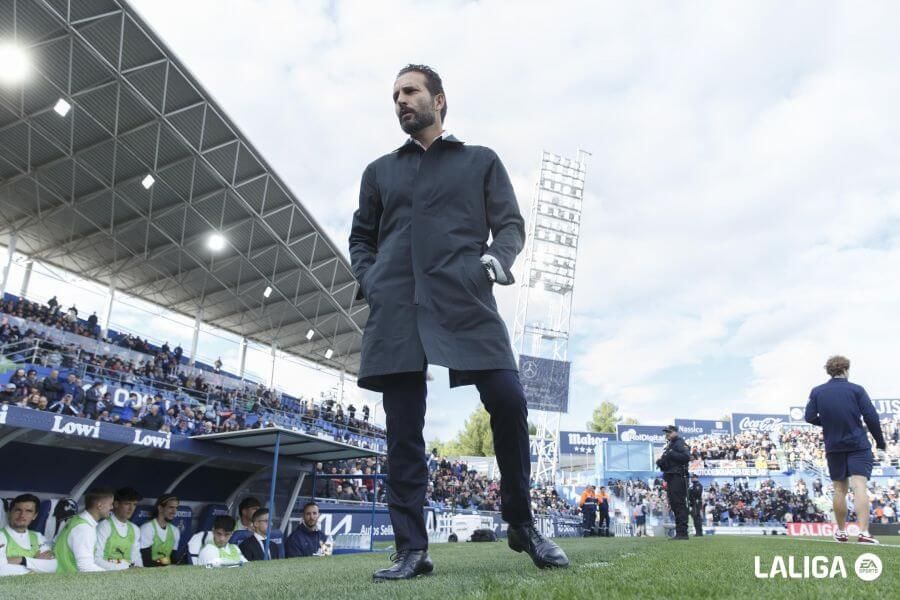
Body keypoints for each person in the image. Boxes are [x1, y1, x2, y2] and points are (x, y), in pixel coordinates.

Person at [348, 63, 567, 581]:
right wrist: (372, 278)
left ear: (439, 101)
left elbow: (510, 224)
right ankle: (411, 550)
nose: (401, 100)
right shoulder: (378, 171)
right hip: (397, 305)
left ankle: (522, 523)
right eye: (395, 94)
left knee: (510, 402)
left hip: (466, 298)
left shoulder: (480, 161)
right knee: (403, 430)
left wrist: (498, 258)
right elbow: (362, 238)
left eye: (411, 91)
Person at [805, 355, 887, 544]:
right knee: (859, 486)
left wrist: (827, 423)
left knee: (839, 489)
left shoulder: (817, 391)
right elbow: (871, 417)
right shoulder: (856, 390)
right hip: (857, 444)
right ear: (845, 370)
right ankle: (864, 532)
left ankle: (841, 532)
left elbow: (809, 416)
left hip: (834, 445)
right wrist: (881, 443)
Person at [54, 487, 115, 572]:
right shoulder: (84, 529)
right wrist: (111, 576)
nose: (112, 507)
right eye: (110, 504)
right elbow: (85, 567)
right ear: (100, 506)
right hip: (70, 580)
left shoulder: (76, 520)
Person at [0, 493, 57, 576]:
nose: (22, 515)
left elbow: (54, 566)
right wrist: (36, 565)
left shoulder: (38, 537)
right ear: (9, 512)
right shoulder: (1, 535)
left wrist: (22, 560)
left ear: (35, 516)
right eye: (18, 510)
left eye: (28, 511)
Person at [95, 487, 143, 569]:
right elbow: (96, 559)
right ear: (116, 504)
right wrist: (124, 568)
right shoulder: (104, 526)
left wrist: (139, 570)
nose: (131, 508)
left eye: (134, 504)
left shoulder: (135, 529)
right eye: (127, 504)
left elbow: (136, 558)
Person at [657, 425, 691, 540]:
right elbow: (667, 463)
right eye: (666, 432)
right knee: (675, 505)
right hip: (671, 477)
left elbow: (686, 457)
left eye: (669, 432)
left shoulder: (680, 442)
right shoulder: (669, 445)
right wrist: (660, 462)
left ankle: (683, 533)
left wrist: (671, 454)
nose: (667, 434)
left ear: (675, 432)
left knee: (679, 504)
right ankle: (680, 532)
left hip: (679, 477)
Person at [140, 494, 181, 566]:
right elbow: (145, 561)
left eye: (176, 508)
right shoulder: (147, 529)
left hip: (168, 572)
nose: (174, 511)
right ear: (160, 508)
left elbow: (173, 558)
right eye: (171, 507)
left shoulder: (175, 531)